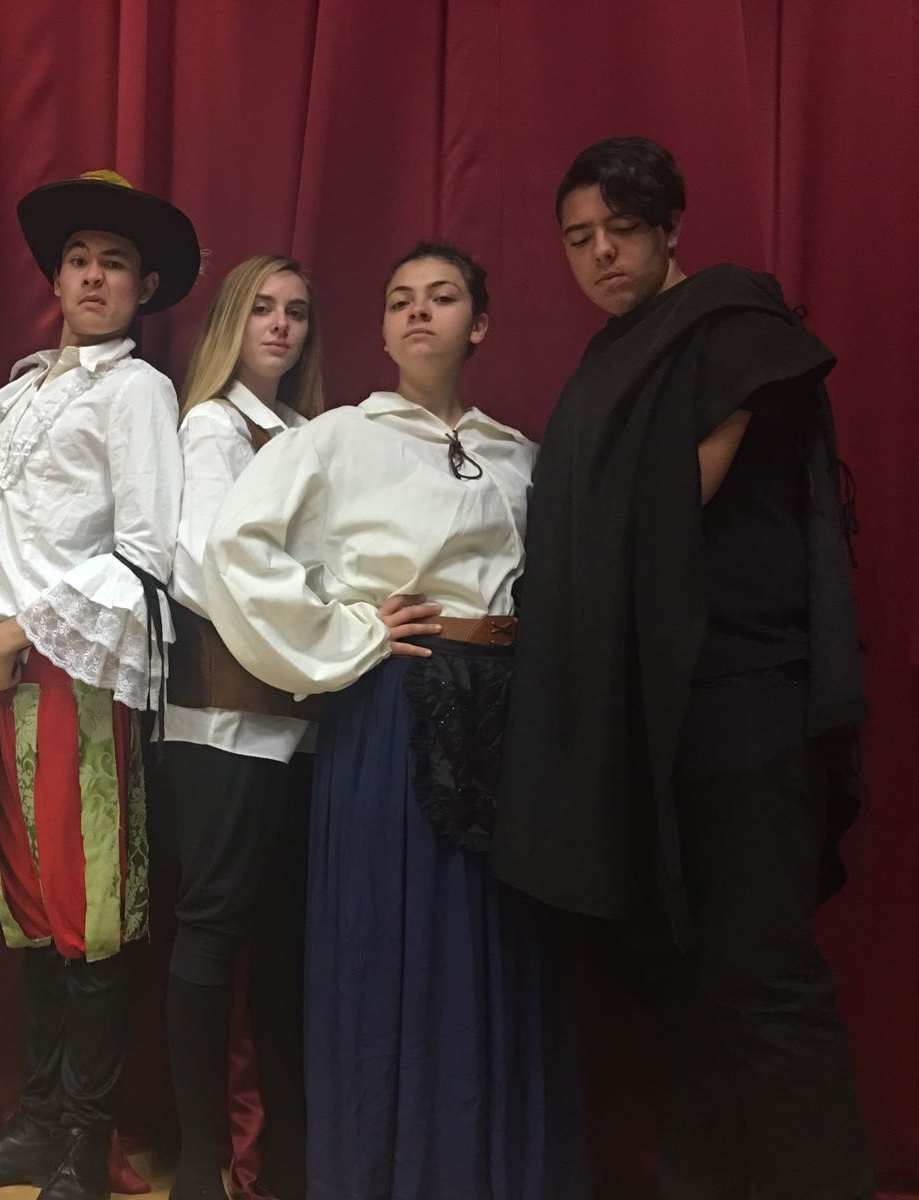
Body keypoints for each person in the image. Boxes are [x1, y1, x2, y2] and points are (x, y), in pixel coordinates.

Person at [493, 135, 873, 1199]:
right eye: (579, 238)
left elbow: (660, 508)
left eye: (622, 230)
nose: (601, 254)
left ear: (669, 228)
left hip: (744, 708)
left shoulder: (729, 326)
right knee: (690, 985)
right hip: (655, 718)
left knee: (763, 979)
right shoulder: (606, 361)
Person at [204, 242, 587, 1200]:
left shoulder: (517, 455)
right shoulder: (338, 439)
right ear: (381, 329)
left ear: (478, 323)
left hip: (504, 717)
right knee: (394, 943)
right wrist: (349, 635)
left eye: (443, 297)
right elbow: (235, 549)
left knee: (492, 946)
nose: (419, 312)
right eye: (400, 299)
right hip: (397, 708)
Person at [0, 169, 197, 1200]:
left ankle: (83, 1140)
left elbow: (146, 552)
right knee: (33, 913)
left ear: (144, 287)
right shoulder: (26, 389)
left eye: (113, 263)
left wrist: (23, 629)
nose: (91, 276)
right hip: (3, 679)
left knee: (92, 916)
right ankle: (37, 1124)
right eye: (78, 259)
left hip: (79, 673)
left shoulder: (136, 392)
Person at [162, 254, 324, 1200]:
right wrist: (312, 625)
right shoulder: (212, 425)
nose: (280, 326)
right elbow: (200, 568)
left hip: (301, 719)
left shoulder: (308, 433)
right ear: (232, 321)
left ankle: (283, 1159)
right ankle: (199, 1160)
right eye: (262, 308)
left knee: (283, 942)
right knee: (213, 928)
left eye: (296, 312)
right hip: (224, 714)